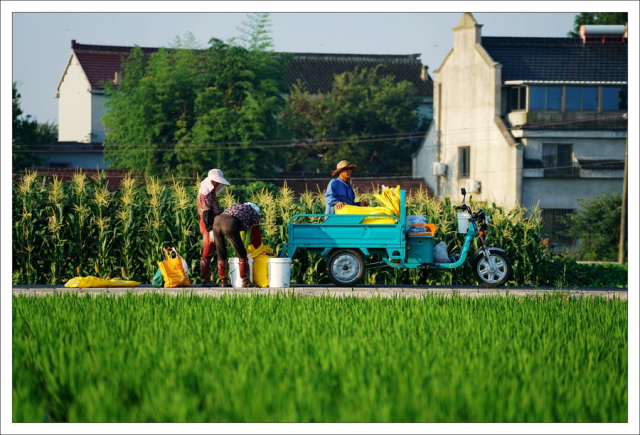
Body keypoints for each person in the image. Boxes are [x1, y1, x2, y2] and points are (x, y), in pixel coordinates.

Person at [213, 202, 263, 287]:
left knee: (221, 252)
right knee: (241, 252)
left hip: (216, 222)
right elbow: (255, 234)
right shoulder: (254, 213)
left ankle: (223, 281)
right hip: (229, 224)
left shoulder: (236, 205)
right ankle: (245, 281)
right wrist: (258, 247)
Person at [198, 169, 230, 287]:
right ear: (212, 180)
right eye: (217, 182)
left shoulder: (211, 191)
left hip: (216, 220)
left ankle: (222, 279)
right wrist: (210, 229)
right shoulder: (204, 192)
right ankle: (205, 279)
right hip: (208, 222)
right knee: (208, 248)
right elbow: (206, 212)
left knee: (220, 248)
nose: (218, 184)